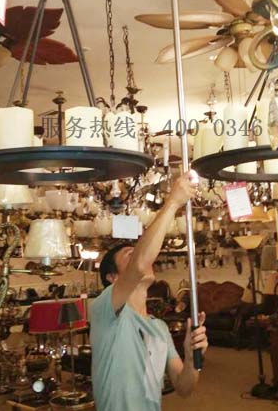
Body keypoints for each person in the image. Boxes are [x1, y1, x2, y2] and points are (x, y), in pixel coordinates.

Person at [90, 171, 208, 411]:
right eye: (129, 255)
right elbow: (139, 265)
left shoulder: (159, 328)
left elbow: (184, 388)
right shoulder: (106, 310)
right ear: (112, 278)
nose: (140, 257)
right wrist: (173, 202)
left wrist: (191, 358)